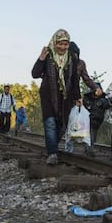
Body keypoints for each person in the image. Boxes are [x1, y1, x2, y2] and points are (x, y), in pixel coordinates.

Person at [32, 29, 81, 165]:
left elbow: (75, 79)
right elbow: (35, 74)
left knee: (63, 125)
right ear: (55, 42)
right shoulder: (48, 55)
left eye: (65, 44)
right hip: (48, 95)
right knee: (50, 123)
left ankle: (52, 144)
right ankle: (52, 153)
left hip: (66, 97)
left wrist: (78, 96)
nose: (62, 47)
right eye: (60, 44)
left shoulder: (72, 58)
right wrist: (41, 59)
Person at [69, 41, 103, 156]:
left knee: (77, 121)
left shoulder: (81, 63)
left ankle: (82, 147)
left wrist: (96, 87)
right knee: (63, 122)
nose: (74, 56)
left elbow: (87, 79)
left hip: (74, 96)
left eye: (75, 54)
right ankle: (60, 146)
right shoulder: (63, 62)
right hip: (61, 95)